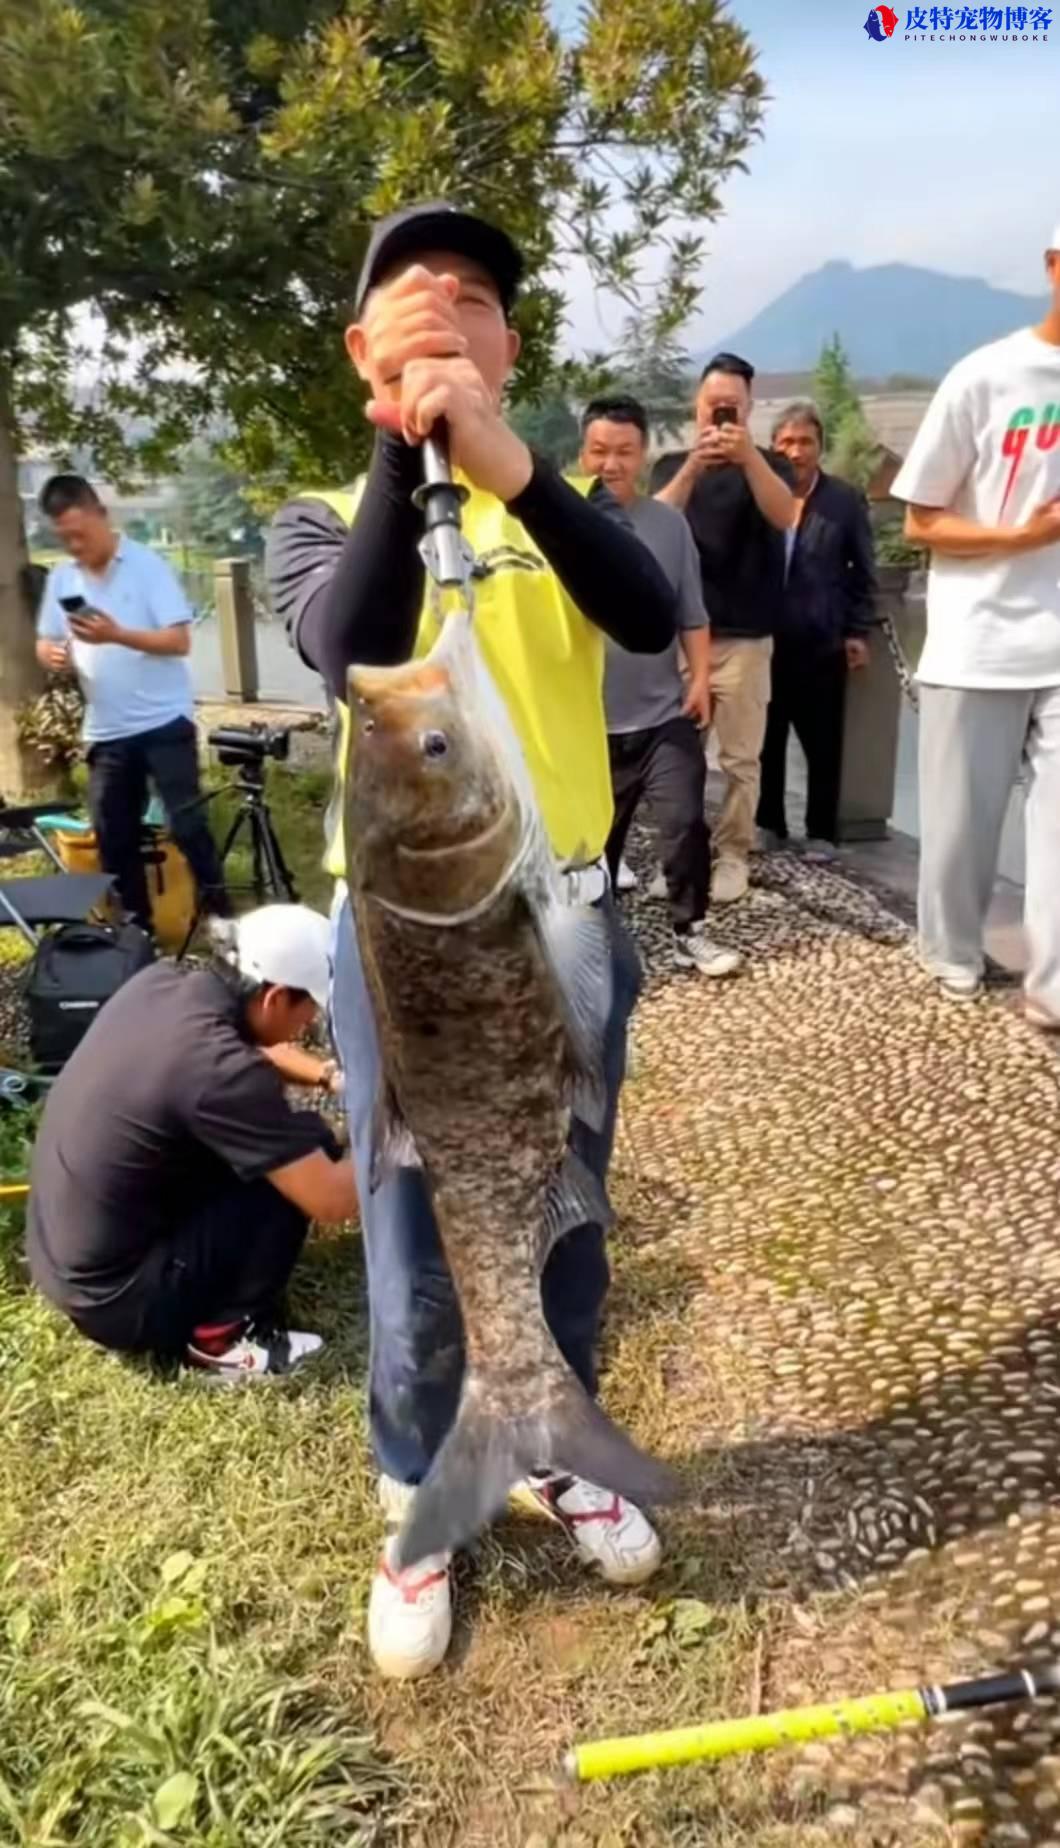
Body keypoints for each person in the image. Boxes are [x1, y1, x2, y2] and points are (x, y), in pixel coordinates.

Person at [266, 200, 678, 1680]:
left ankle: (551, 1442)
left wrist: (510, 464)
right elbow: (346, 641)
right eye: (414, 289)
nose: (451, 303)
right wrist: (402, 445)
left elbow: (644, 613)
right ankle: (418, 1497)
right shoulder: (321, 510)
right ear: (361, 344)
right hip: (411, 947)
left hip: (562, 918)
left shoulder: (554, 506)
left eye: (481, 295)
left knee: (562, 1197)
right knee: (411, 1233)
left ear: (511, 345)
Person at [26, 904, 355, 1378]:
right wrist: (391, 1129)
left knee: (283, 1144)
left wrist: (329, 1077)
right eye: (308, 1012)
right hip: (120, 1301)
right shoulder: (223, 1074)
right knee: (306, 1149)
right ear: (276, 997)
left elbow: (257, 1044)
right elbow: (332, 1199)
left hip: (64, 1264)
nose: (306, 1027)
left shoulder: (161, 984)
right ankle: (223, 1341)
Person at [892, 225, 1060, 1020]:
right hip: (980, 642)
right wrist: (1019, 537)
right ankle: (951, 952)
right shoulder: (986, 378)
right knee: (961, 832)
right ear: (1053, 268)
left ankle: (1052, 987)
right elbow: (922, 522)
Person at [579, 394, 742, 978]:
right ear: (583, 452)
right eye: (599, 451)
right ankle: (588, 943)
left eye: (624, 451)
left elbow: (691, 615)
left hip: (662, 715)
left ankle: (688, 930)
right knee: (594, 847)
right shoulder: (565, 524)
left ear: (644, 455)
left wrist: (698, 677)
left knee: (683, 822)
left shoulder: (669, 526)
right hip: (587, 725)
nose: (611, 464)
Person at [35, 475, 227, 931]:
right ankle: (137, 931)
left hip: (163, 721)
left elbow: (178, 641)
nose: (74, 546)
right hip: (107, 728)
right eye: (64, 538)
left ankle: (222, 919)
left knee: (186, 824)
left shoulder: (147, 566)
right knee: (111, 832)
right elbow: (45, 641)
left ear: (102, 515)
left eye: (80, 534)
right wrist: (53, 655)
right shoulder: (63, 579)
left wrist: (116, 634)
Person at [652, 354, 796, 903]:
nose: (721, 415)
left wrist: (747, 460)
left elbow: (785, 516)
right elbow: (655, 524)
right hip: (684, 639)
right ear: (698, 405)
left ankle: (733, 854)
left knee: (740, 759)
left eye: (732, 406)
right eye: (714, 405)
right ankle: (682, 858)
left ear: (750, 408)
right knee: (675, 757)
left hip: (747, 639)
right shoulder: (670, 467)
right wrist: (695, 465)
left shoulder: (770, 467)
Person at [756, 402, 878, 861]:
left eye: (805, 441)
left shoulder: (843, 501)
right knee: (766, 740)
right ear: (773, 447)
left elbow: (864, 570)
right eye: (786, 441)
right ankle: (768, 822)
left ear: (820, 448)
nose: (795, 451)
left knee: (823, 743)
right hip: (765, 639)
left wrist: (857, 631)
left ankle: (821, 832)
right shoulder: (759, 495)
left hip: (822, 640)